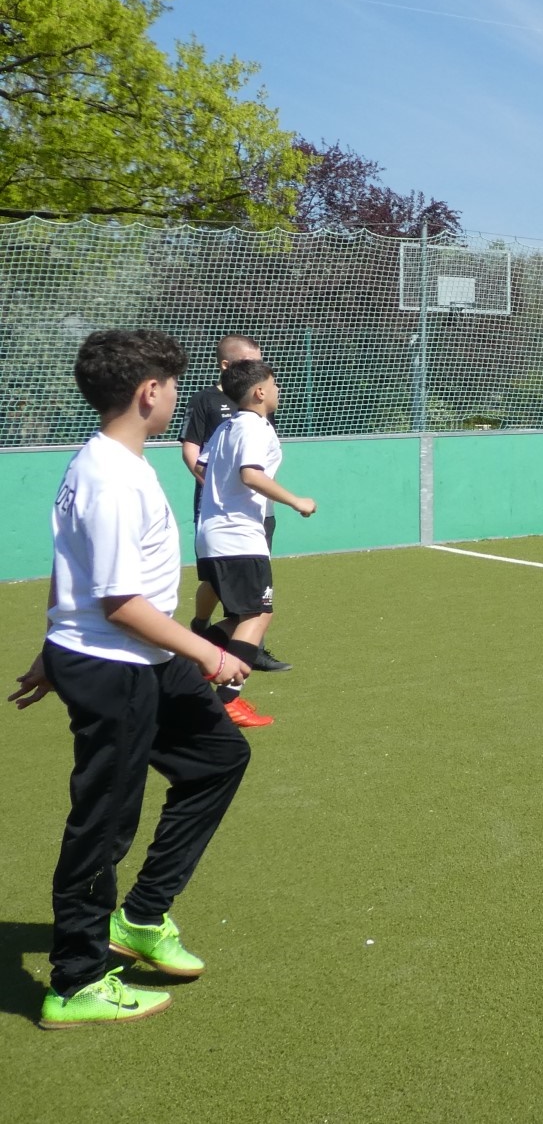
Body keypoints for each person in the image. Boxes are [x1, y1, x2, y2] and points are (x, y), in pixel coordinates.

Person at [8, 329, 253, 1029]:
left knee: (217, 758)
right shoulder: (111, 476)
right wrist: (209, 653)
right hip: (116, 666)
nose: (177, 395)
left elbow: (69, 569)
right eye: (173, 385)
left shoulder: (111, 461)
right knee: (103, 826)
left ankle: (142, 917)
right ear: (150, 392)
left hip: (131, 656)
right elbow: (119, 601)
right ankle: (76, 982)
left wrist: (52, 644)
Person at [195, 360, 317, 728]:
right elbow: (250, 474)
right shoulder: (255, 426)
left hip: (212, 534)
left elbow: (202, 466)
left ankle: (187, 667)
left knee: (240, 617)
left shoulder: (226, 427)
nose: (278, 390)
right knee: (259, 615)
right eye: (274, 383)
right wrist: (296, 501)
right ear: (260, 391)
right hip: (238, 537)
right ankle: (226, 701)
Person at [179, 334, 263, 642]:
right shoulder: (206, 401)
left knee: (255, 579)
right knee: (217, 577)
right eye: (249, 363)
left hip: (254, 508)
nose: (258, 369)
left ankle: (251, 644)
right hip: (217, 508)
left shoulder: (259, 402)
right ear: (226, 366)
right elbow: (192, 452)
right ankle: (202, 628)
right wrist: (216, 487)